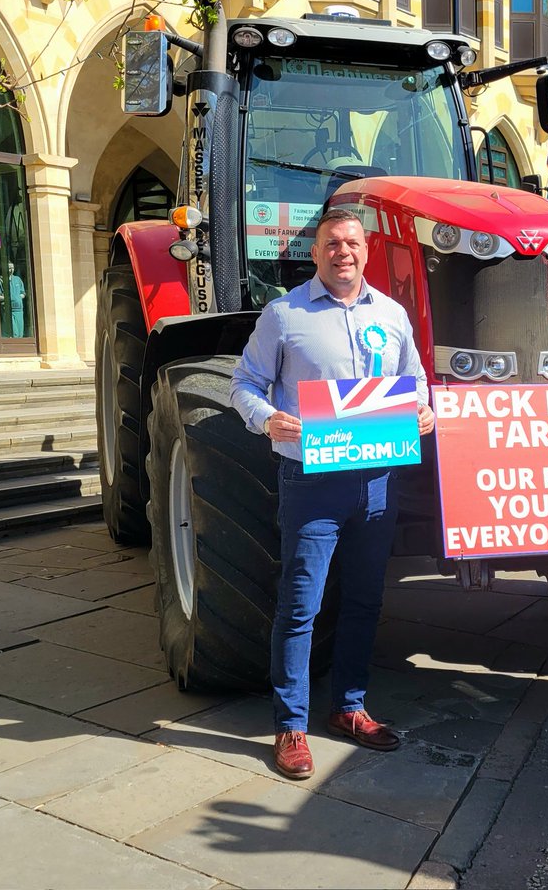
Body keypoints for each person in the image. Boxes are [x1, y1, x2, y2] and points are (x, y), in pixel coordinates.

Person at [230, 206, 435, 779]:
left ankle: (349, 708)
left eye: (352, 243)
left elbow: (414, 379)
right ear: (315, 253)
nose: (343, 252)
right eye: (332, 244)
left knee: (366, 601)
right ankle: (290, 725)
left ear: (366, 251)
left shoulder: (392, 315)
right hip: (312, 481)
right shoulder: (284, 314)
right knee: (302, 604)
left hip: (376, 479)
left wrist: (422, 410)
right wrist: (268, 418)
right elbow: (244, 382)